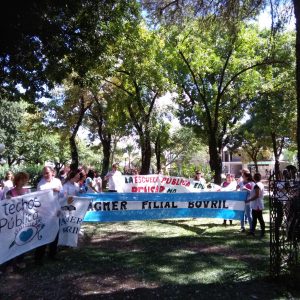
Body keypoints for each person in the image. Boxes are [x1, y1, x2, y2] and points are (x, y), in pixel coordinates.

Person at [2, 172, 30, 272]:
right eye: (21, 179)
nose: (23, 181)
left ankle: (20, 260)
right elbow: (6, 207)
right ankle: (9, 263)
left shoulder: (27, 191)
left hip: (23, 220)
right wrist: (8, 201)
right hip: (12, 221)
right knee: (11, 241)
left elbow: (31, 205)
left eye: (25, 179)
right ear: (17, 180)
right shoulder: (10, 192)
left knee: (22, 239)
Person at [34, 166, 63, 265]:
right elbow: (37, 199)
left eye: (47, 173)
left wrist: (59, 191)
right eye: (44, 173)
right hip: (44, 213)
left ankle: (52, 254)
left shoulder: (58, 181)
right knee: (43, 235)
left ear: (52, 172)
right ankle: (38, 258)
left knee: (55, 234)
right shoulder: (40, 184)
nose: (45, 175)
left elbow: (62, 195)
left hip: (55, 212)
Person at [246, 173, 265, 237]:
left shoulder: (257, 185)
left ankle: (262, 232)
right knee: (254, 219)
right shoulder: (260, 184)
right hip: (257, 204)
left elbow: (257, 195)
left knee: (259, 218)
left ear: (254, 178)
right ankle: (252, 231)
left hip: (257, 204)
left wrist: (249, 200)